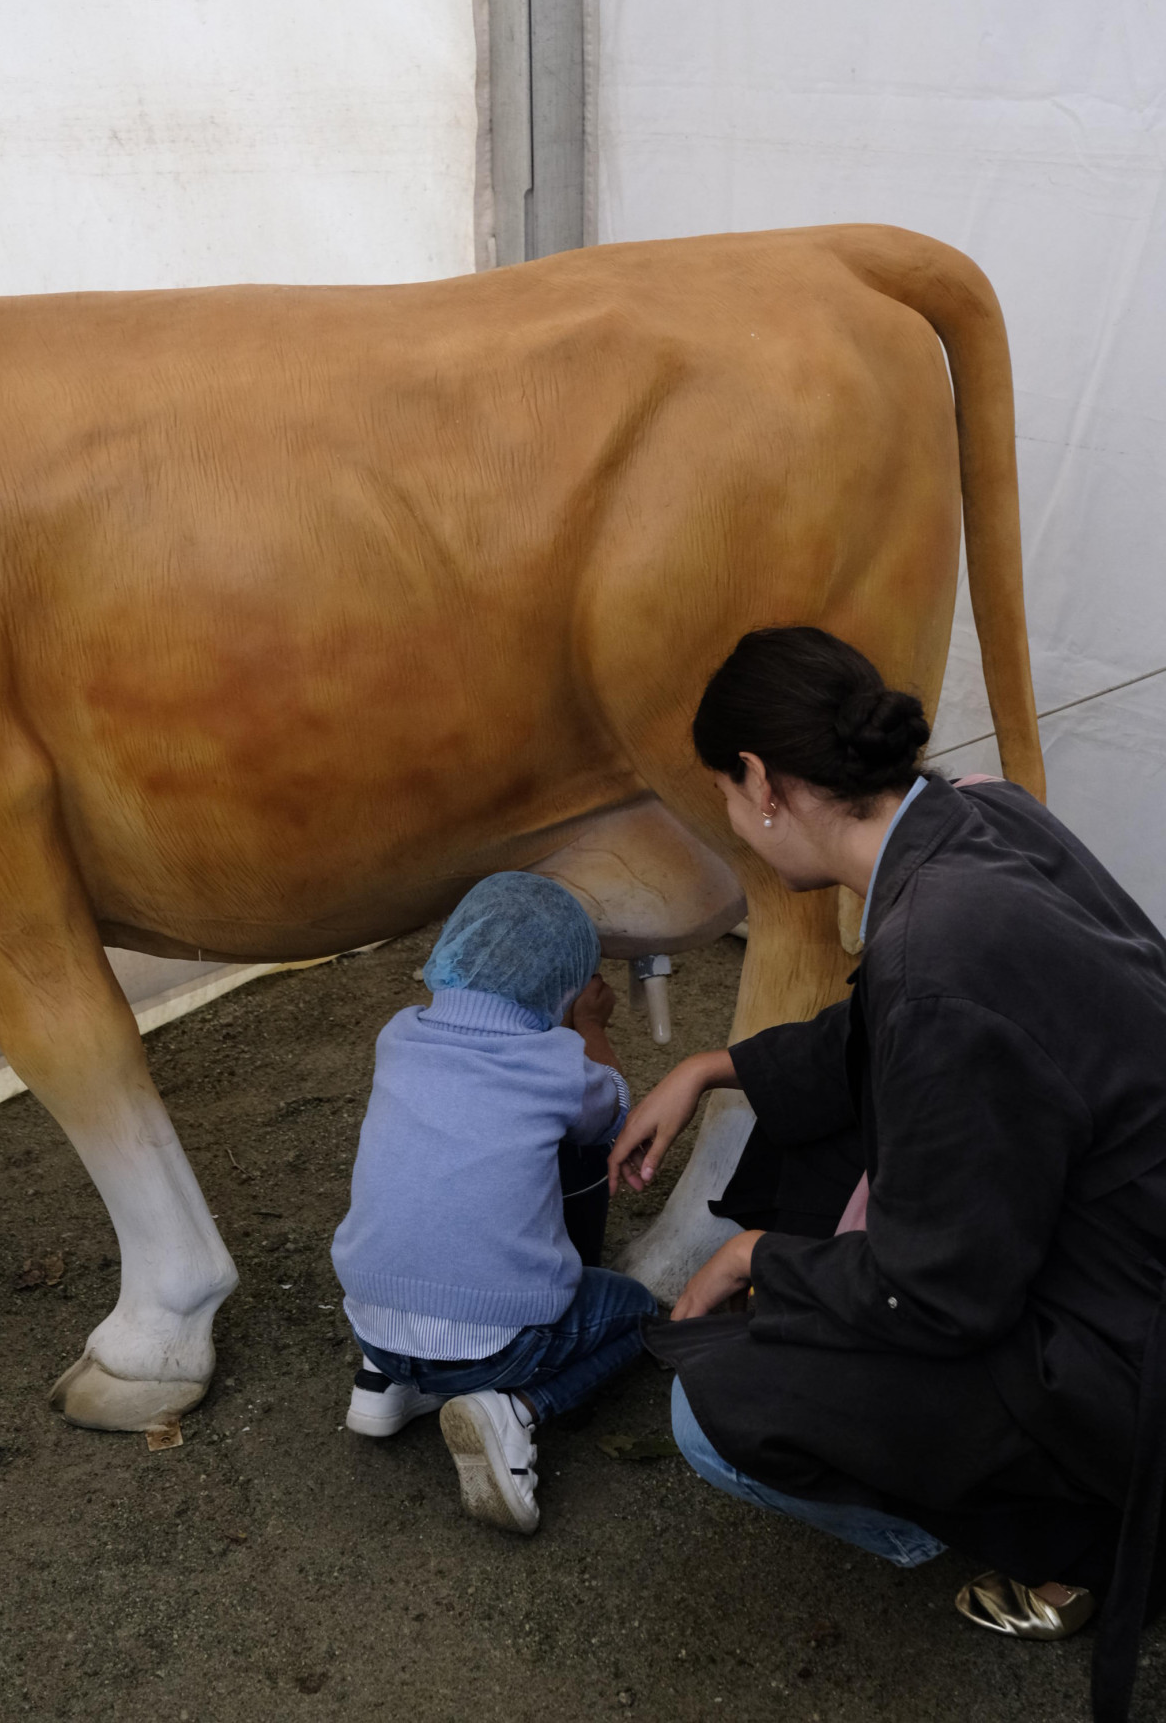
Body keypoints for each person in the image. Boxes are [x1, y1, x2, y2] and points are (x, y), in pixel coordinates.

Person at [607, 625, 1166, 1723]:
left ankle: (1093, 1534)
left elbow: (939, 1291)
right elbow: (870, 1037)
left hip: (1126, 1328)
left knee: (713, 1409)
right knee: (801, 1123)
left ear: (761, 782)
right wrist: (712, 1066)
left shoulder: (934, 957)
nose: (730, 817)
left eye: (723, 792)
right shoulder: (978, 812)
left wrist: (762, 1253)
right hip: (1125, 1219)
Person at [332, 870, 656, 1535]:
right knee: (642, 1312)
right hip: (497, 1345)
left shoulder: (396, 1036)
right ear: (562, 986)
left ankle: (386, 1384)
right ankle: (517, 1408)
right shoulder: (559, 1064)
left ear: (452, 949)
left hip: (370, 1318)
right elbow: (614, 1117)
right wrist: (588, 1026)